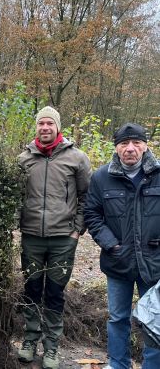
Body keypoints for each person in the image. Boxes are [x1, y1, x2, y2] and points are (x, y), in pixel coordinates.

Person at [17, 106, 92, 368]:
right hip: (31, 237)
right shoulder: (24, 159)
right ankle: (29, 340)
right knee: (31, 289)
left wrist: (76, 231)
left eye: (50, 123)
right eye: (41, 123)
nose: (45, 127)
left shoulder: (77, 158)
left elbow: (87, 197)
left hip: (63, 238)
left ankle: (51, 347)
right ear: (36, 127)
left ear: (58, 127)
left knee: (55, 292)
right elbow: (16, 197)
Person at [84, 123, 160, 369]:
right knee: (118, 318)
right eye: (124, 143)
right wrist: (110, 244)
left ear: (145, 145)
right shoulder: (101, 177)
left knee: (155, 318)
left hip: (155, 261)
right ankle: (118, 364)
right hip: (118, 261)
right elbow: (92, 214)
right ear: (116, 147)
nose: (130, 149)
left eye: (136, 143)